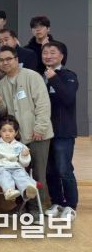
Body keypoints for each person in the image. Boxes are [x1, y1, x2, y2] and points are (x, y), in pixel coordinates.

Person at [0, 45, 52, 216]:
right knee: (18, 172)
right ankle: (22, 207)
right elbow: (4, 114)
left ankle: (37, 209)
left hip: (37, 134)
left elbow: (43, 104)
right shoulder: (0, 84)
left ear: (16, 60)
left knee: (38, 174)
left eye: (8, 59)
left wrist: (40, 128)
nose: (5, 63)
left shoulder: (32, 76)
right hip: (16, 138)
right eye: (1, 60)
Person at [42, 42, 78, 221]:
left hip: (63, 131)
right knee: (50, 171)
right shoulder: (40, 76)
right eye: (45, 53)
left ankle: (70, 205)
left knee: (64, 169)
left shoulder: (68, 75)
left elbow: (68, 98)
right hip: (45, 131)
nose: (48, 56)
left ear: (62, 56)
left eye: (52, 52)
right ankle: (56, 201)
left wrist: (54, 78)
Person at [0, 117, 39, 202]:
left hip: (16, 167)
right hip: (1, 167)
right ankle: (9, 191)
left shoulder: (20, 146)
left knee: (22, 175)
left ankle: (27, 191)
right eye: (4, 131)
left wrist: (24, 156)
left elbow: (25, 164)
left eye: (10, 131)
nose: (7, 134)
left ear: (16, 132)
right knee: (5, 176)